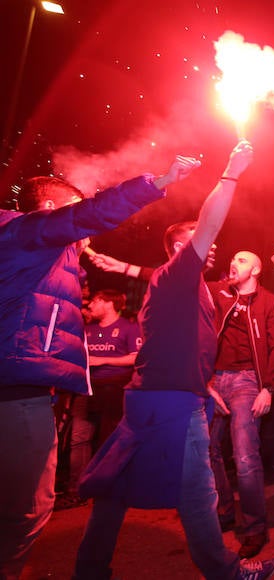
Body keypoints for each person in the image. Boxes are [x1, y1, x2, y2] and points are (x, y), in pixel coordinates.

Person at [73, 141, 274, 580]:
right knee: (198, 491)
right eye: (201, 241)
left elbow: (181, 341)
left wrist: (203, 382)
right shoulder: (179, 272)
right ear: (180, 247)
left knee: (114, 490)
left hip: (151, 395)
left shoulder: (187, 287)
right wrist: (232, 172)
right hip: (170, 403)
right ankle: (227, 573)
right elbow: (209, 222)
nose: (215, 246)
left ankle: (89, 570)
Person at [0, 157, 198, 578]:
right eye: (74, 210)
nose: (83, 234)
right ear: (51, 210)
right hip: (16, 395)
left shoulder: (34, 253)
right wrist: (159, 180)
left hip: (21, 389)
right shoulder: (28, 230)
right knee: (26, 511)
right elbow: (92, 213)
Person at [208, 251, 274, 558]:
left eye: (241, 260)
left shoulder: (270, 302)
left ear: (256, 269)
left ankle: (255, 528)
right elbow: (181, 277)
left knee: (244, 455)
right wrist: (127, 268)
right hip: (214, 381)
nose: (234, 263)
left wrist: (268, 387)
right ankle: (225, 509)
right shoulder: (219, 293)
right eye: (233, 258)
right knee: (208, 450)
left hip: (246, 381)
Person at [57, 289, 142, 510]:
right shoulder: (88, 330)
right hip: (86, 389)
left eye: (95, 301)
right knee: (79, 439)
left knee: (112, 440)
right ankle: (77, 490)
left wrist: (99, 360)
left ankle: (113, 487)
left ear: (108, 304)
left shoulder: (129, 328)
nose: (90, 306)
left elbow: (137, 358)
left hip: (115, 389)